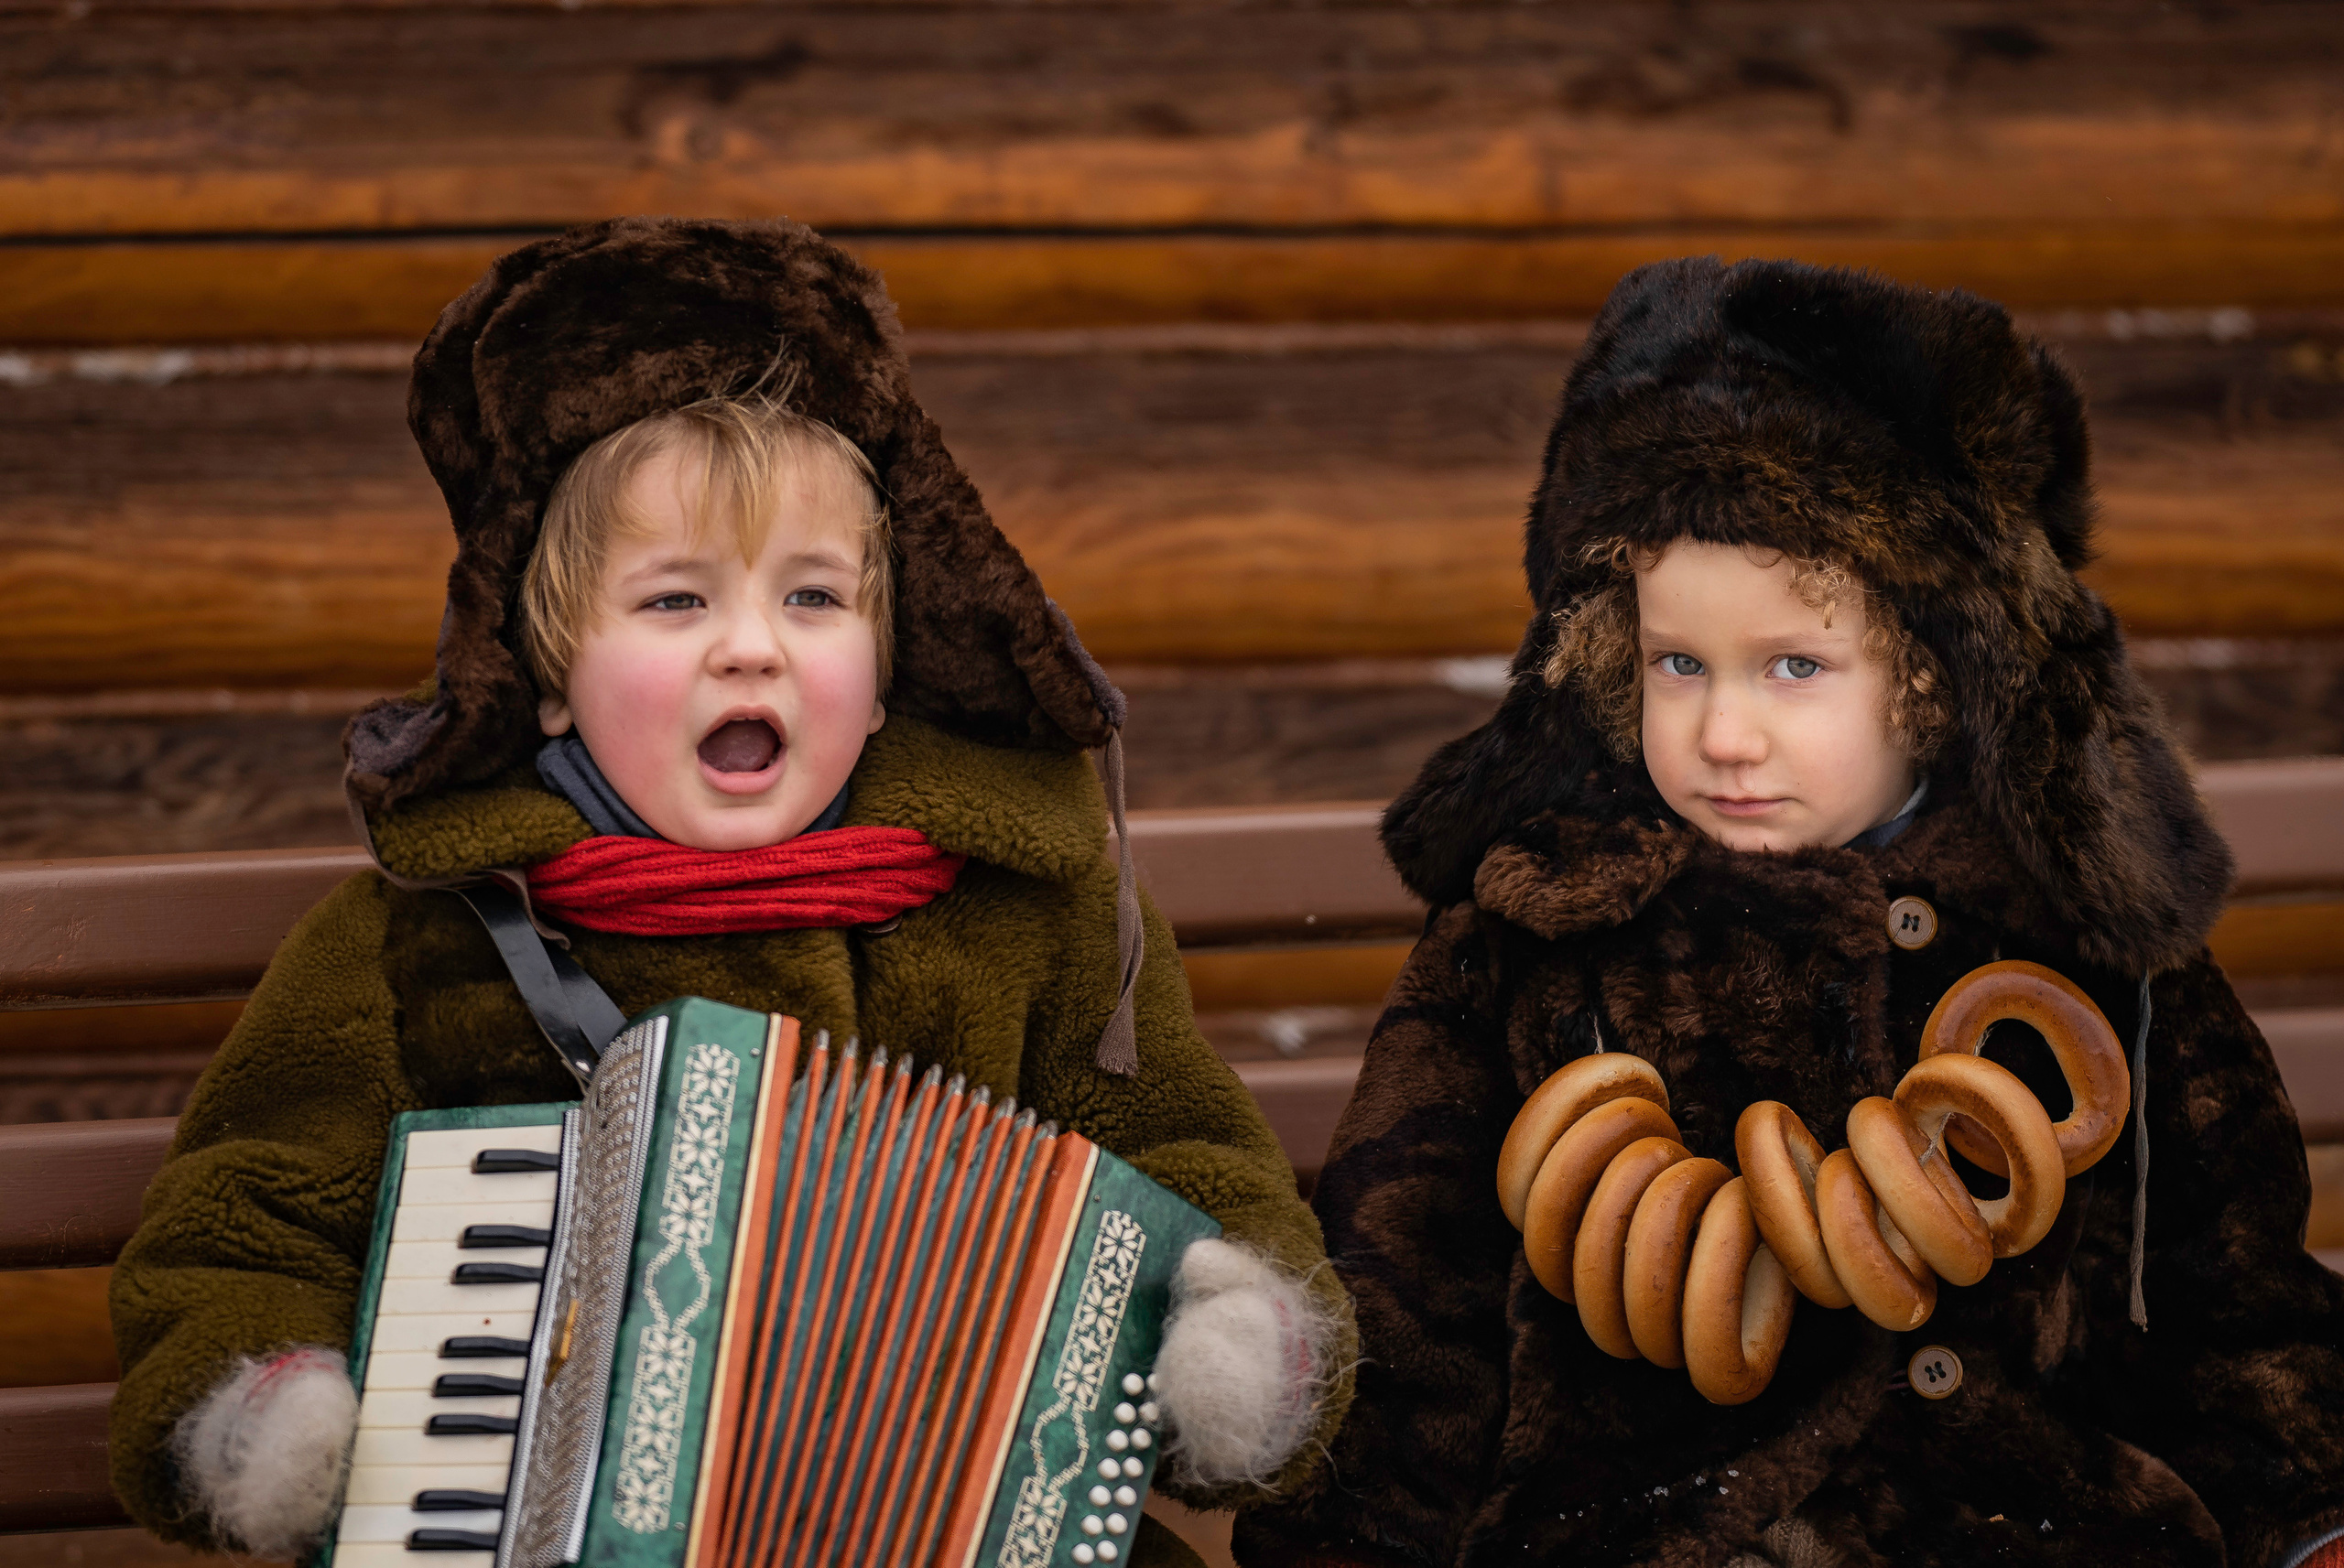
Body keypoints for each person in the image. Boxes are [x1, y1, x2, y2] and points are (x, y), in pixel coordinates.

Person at [106, 218, 1352, 1565]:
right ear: (546, 678)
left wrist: (1234, 1336)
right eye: (674, 602)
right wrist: (263, 1400)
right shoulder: (424, 940)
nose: (750, 648)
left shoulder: (1028, 912)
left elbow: (1187, 1151)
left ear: (883, 679)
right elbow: (246, 1219)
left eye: (813, 598)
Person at [1235, 258, 2344, 1568]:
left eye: (1795, 667)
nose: (1723, 731)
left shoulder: (2075, 949)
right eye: (1678, 663)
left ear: (1929, 680)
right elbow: (1410, 1308)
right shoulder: (1534, 938)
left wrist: (2307, 1514)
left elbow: (2238, 1307)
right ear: (1612, 652)